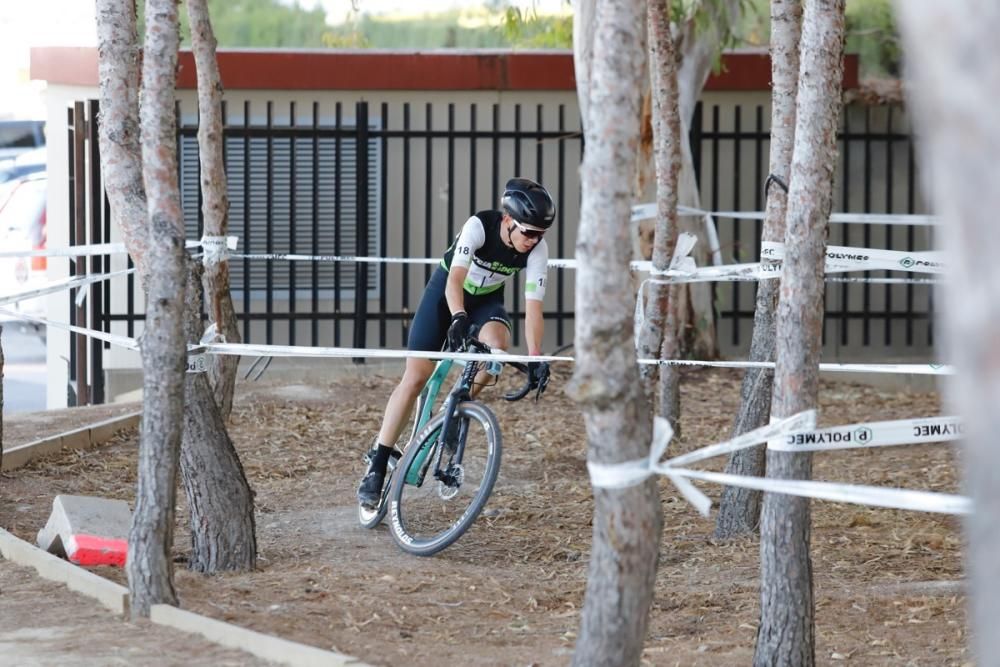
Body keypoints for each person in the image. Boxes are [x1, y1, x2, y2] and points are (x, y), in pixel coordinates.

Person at [357, 177, 555, 508]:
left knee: (496, 351)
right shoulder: (479, 226)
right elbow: (454, 281)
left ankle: (454, 410)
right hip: (446, 295)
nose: (534, 240)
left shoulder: (538, 249)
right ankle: (378, 462)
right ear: (508, 221)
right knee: (416, 377)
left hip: (486, 302)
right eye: (528, 232)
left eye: (541, 234)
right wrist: (458, 316)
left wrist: (535, 356)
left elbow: (533, 308)